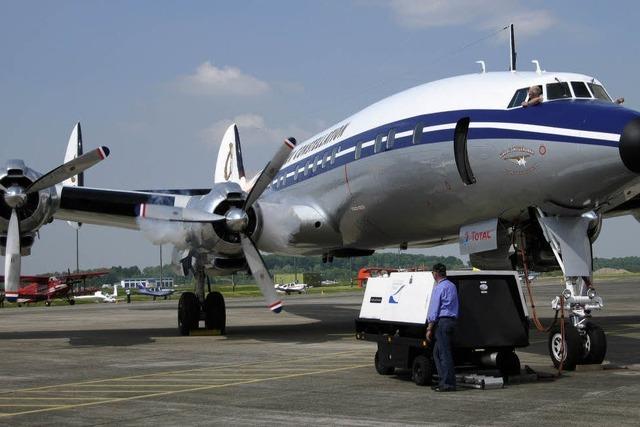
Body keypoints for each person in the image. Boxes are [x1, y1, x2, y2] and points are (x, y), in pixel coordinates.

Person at [426, 263, 459, 392]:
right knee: (437, 353)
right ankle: (443, 380)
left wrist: (429, 327)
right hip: (451, 321)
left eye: (433, 273)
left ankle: (448, 384)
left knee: (444, 354)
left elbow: (434, 309)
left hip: (442, 322)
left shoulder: (439, 288)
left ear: (436, 273)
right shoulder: (452, 286)